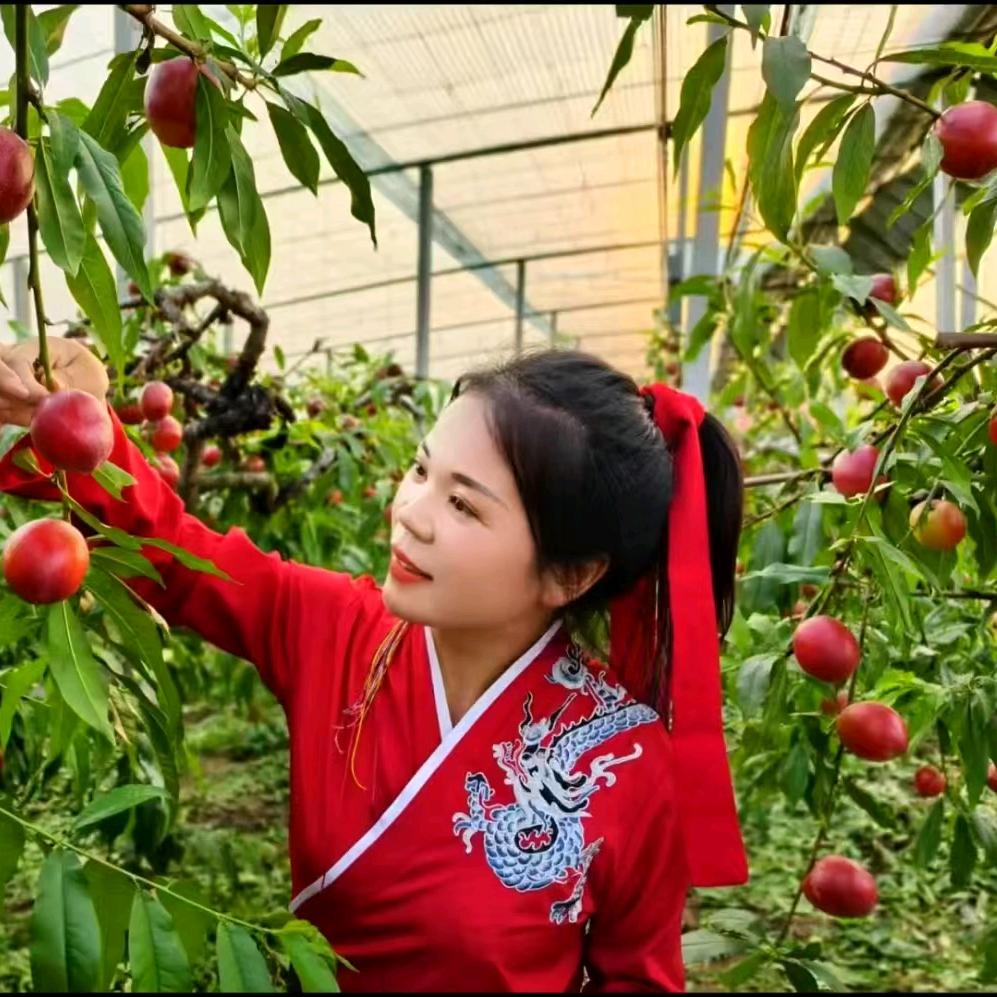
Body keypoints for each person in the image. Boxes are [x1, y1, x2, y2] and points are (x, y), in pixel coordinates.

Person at [0, 336, 750, 993]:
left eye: (464, 505)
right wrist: (71, 425)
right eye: (421, 471)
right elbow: (181, 560)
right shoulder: (334, 626)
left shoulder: (625, 761)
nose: (410, 511)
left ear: (570, 575)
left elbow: (638, 980)